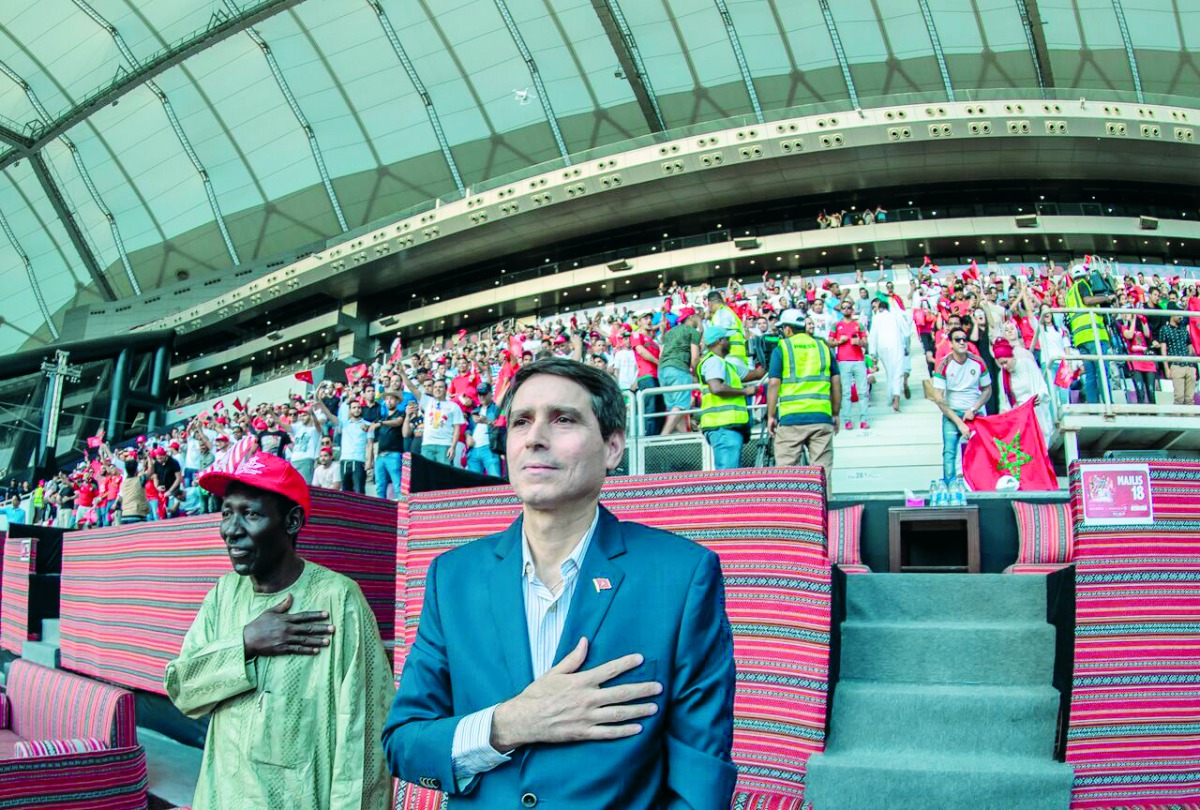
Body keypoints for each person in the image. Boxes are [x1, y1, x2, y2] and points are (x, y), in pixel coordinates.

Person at [382, 358, 736, 808]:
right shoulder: (451, 577)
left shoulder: (682, 575)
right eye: (521, 422)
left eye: (563, 419)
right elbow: (404, 743)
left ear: (612, 448)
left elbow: (699, 779)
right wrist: (511, 722)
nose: (535, 438)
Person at [164, 452, 394, 809]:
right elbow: (183, 689)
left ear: (292, 521)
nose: (231, 529)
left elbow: (362, 739)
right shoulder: (224, 594)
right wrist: (245, 642)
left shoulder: (338, 599)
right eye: (227, 513)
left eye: (251, 514)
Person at [766, 309, 840, 478]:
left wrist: (771, 415)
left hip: (791, 419)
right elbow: (836, 381)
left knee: (787, 474)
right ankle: (822, 504)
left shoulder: (782, 348)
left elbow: (773, 384)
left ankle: (791, 505)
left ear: (788, 329)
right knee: (822, 474)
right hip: (821, 416)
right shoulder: (822, 347)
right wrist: (835, 413)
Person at [930, 327, 993, 483]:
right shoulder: (944, 364)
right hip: (952, 413)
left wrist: (974, 408)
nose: (962, 342)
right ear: (951, 344)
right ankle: (950, 485)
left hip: (975, 411)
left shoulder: (977, 362)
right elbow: (938, 398)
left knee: (981, 449)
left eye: (964, 339)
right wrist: (959, 422)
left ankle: (980, 483)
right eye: (958, 339)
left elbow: (987, 389)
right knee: (949, 451)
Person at [697, 325, 755, 470]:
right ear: (720, 341)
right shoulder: (714, 362)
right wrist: (745, 392)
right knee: (728, 476)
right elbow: (716, 388)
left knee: (729, 474)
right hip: (723, 426)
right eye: (727, 339)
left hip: (726, 427)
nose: (729, 342)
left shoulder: (724, 364)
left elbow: (754, 374)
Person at [1063, 262, 1116, 404]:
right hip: (1093, 335)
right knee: (1102, 372)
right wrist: (1107, 298)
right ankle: (1107, 404)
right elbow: (1087, 300)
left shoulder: (1069, 294)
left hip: (1080, 338)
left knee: (1091, 374)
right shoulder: (1083, 285)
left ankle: (1093, 405)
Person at [993, 338, 1053, 443]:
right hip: (1019, 417)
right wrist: (1003, 412)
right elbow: (1004, 402)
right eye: (1001, 364)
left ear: (1011, 356)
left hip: (1035, 411)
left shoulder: (1027, 364)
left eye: (1006, 362)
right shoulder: (1001, 375)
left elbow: (1042, 387)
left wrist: (1038, 397)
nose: (1004, 366)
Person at [657, 307, 701, 435]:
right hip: (679, 368)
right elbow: (695, 357)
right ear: (691, 318)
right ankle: (662, 437)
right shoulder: (693, 332)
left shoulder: (670, 332)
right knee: (681, 405)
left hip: (663, 370)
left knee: (674, 408)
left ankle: (684, 437)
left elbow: (661, 354)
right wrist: (695, 374)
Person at [830, 300, 869, 430]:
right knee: (846, 392)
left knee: (863, 391)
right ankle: (847, 420)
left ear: (852, 309)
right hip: (843, 361)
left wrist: (860, 342)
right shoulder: (836, 325)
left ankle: (864, 419)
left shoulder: (859, 325)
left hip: (858, 360)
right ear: (841, 310)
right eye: (844, 308)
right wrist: (839, 341)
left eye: (848, 308)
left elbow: (866, 342)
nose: (846, 310)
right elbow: (829, 342)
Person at [868, 296, 908, 413]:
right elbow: (906, 331)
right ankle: (896, 397)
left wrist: (872, 353)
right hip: (896, 345)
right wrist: (906, 346)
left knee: (890, 372)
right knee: (897, 372)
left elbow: (873, 336)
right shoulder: (895, 315)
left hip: (882, 347)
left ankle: (890, 397)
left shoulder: (876, 318)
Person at [1155, 306, 1196, 406]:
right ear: (1172, 314)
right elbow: (1163, 350)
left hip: (1189, 365)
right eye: (1178, 314)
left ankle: (1190, 419)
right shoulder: (1164, 329)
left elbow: (1191, 348)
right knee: (1179, 398)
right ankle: (1177, 420)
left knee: (1190, 399)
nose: (1181, 317)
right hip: (1176, 365)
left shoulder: (1184, 329)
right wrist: (1166, 368)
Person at [371, 391, 408, 499]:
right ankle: (380, 513)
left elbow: (398, 422)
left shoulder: (400, 414)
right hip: (380, 456)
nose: (389, 401)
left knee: (398, 486)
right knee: (380, 487)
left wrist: (381, 423)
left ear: (397, 401)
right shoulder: (382, 418)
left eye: (391, 399)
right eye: (387, 399)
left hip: (394, 454)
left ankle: (403, 512)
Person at [466, 382, 503, 477]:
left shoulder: (497, 408)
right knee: (474, 485)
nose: (481, 397)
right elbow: (468, 428)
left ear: (491, 394)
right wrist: (468, 436)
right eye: (479, 394)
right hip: (473, 450)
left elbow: (502, 427)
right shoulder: (475, 410)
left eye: (484, 394)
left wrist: (487, 421)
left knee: (495, 480)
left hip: (489, 448)